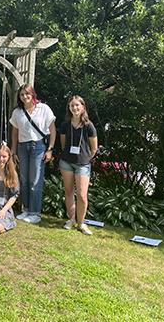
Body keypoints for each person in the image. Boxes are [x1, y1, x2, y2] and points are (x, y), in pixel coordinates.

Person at [10, 84, 56, 224]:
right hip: (23, 147)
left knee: (35, 180)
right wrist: (13, 149)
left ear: (32, 94)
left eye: (27, 94)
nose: (24, 97)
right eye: (22, 94)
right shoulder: (17, 112)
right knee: (24, 180)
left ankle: (35, 213)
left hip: (38, 146)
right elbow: (15, 132)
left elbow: (52, 130)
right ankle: (26, 209)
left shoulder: (44, 108)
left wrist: (50, 149)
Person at [59, 96, 98, 235]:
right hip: (66, 163)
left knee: (82, 195)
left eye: (77, 105)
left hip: (83, 164)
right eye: (72, 106)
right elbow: (64, 145)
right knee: (69, 192)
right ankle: (71, 219)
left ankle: (81, 223)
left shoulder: (89, 126)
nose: (74, 108)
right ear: (69, 108)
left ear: (83, 107)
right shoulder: (65, 125)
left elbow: (94, 148)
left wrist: (85, 158)